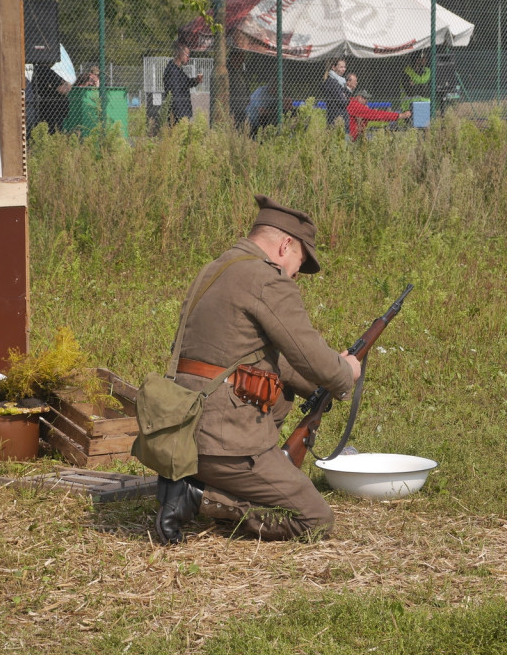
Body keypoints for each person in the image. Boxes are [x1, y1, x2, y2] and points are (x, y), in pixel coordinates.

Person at [155, 195, 362, 544]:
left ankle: (193, 483)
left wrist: (317, 387)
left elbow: (252, 356)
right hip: (222, 444)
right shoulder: (266, 280)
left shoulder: (215, 268)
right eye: (299, 261)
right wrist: (345, 372)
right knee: (314, 519)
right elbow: (312, 356)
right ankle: (197, 496)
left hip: (179, 431)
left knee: (277, 394)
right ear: (285, 245)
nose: (296, 274)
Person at [344, 74, 410, 141]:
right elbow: (377, 115)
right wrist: (399, 115)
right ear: (358, 97)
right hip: (350, 137)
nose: (366, 100)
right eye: (364, 98)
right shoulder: (354, 105)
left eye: (367, 98)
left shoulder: (357, 104)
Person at [163, 43, 203, 123]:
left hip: (182, 111)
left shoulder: (178, 70)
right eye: (187, 56)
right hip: (178, 113)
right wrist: (180, 115)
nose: (188, 59)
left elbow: (186, 83)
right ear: (180, 54)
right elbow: (175, 93)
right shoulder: (172, 71)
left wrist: (196, 80)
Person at [31, 63, 71, 133]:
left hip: (45, 106)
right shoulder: (46, 71)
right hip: (52, 107)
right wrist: (65, 84)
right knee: (54, 129)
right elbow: (64, 89)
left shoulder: (36, 69)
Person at [321, 57, 349, 129]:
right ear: (333, 67)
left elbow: (346, 97)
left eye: (344, 67)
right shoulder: (332, 82)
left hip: (340, 117)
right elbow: (343, 102)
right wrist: (345, 98)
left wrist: (345, 97)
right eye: (341, 67)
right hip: (336, 117)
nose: (344, 69)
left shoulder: (340, 82)